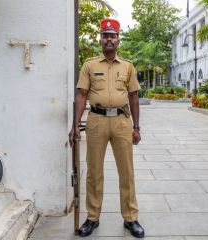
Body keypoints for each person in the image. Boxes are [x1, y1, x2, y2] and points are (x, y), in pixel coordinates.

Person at [69, 18, 145, 238]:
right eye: (105, 36)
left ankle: (131, 218)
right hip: (96, 120)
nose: (109, 39)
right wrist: (75, 125)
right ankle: (92, 217)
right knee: (94, 171)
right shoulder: (90, 65)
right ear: (100, 39)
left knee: (127, 172)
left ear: (118, 40)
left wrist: (136, 127)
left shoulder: (128, 66)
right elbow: (81, 95)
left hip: (122, 122)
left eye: (112, 36)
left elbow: (133, 97)